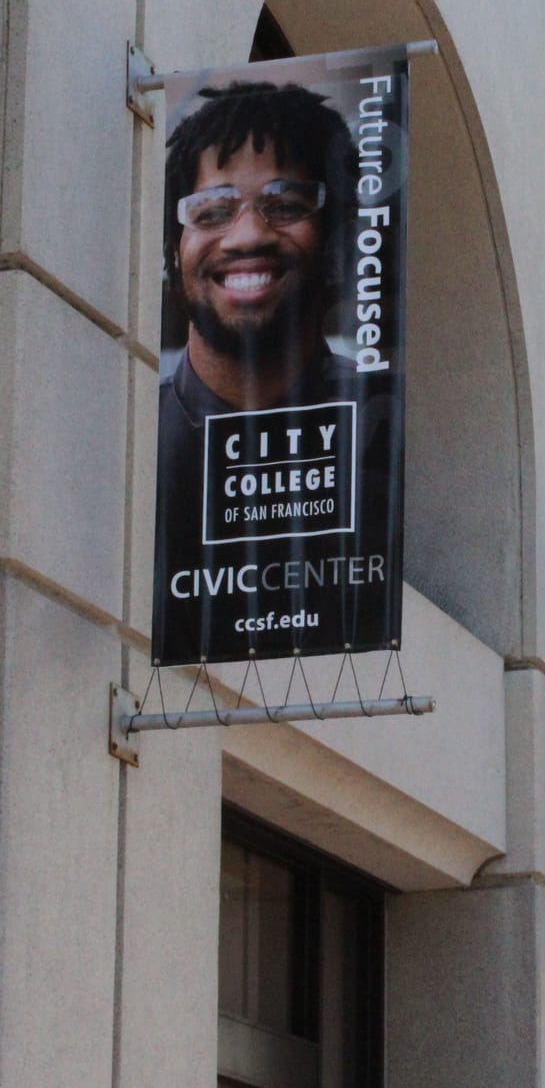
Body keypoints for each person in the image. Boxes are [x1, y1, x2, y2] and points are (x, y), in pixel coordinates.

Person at [152, 79, 401, 664]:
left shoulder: (392, 429)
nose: (248, 235)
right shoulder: (132, 444)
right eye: (212, 211)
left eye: (285, 206)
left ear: (337, 240)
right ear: (173, 250)